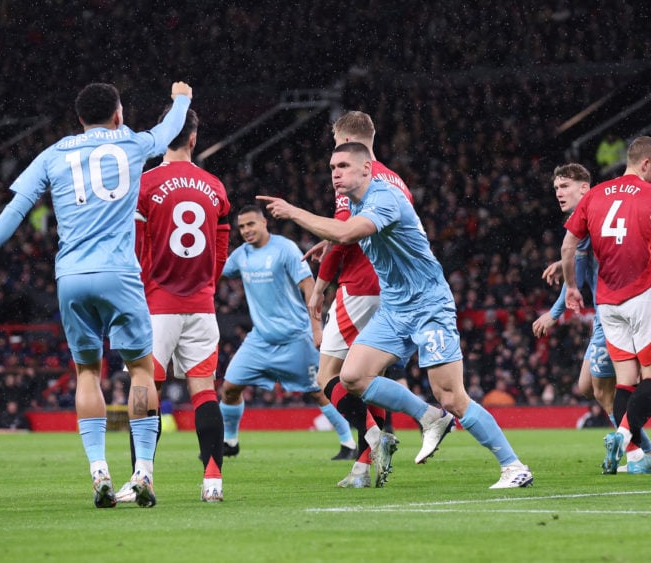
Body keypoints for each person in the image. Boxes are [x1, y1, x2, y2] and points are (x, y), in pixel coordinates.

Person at [0, 80, 195, 508]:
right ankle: (142, 470)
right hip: (120, 274)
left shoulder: (54, 154)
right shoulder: (133, 143)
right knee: (141, 372)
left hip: (72, 276)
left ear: (80, 119)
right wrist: (182, 98)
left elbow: (17, 207)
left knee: (87, 373)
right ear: (118, 114)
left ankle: (99, 471)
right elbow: (170, 131)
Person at [262, 142, 533, 489]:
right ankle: (428, 416)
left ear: (366, 169)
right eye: (332, 167)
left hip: (429, 304)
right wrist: (329, 244)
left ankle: (513, 466)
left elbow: (347, 231)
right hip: (395, 308)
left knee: (451, 395)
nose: (335, 173)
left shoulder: (385, 197)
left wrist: (294, 212)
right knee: (353, 376)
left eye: (343, 165)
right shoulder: (358, 204)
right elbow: (346, 234)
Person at [531, 163, 651, 475]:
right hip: (612, 308)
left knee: (604, 389)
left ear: (584, 188)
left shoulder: (596, 209)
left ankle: (641, 454)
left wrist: (555, 312)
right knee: (590, 387)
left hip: (616, 306)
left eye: (564, 187)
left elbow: (576, 254)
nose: (558, 193)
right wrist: (563, 266)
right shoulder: (597, 213)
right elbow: (576, 254)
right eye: (556, 188)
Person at [117, 106, 231, 504]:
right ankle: (213, 480)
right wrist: (206, 287)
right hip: (202, 306)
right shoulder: (215, 186)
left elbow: (134, 250)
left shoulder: (145, 185)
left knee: (144, 387)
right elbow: (219, 252)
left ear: (163, 134)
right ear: (195, 139)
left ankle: (141, 477)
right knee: (204, 392)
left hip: (157, 304)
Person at [303, 110, 419, 488]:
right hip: (393, 288)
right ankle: (364, 467)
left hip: (360, 287)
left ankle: (374, 438)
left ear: (345, 139)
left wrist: (320, 288)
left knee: (329, 378)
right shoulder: (396, 179)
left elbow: (342, 236)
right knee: (369, 379)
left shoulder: (354, 175)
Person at [218, 205, 354, 460]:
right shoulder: (241, 255)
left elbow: (309, 286)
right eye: (242, 227)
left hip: (295, 337)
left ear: (264, 223)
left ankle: (348, 443)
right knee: (230, 387)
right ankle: (230, 441)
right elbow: (216, 273)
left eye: (251, 224)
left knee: (319, 391)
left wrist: (316, 329)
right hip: (260, 340)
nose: (246, 231)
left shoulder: (285, 249)